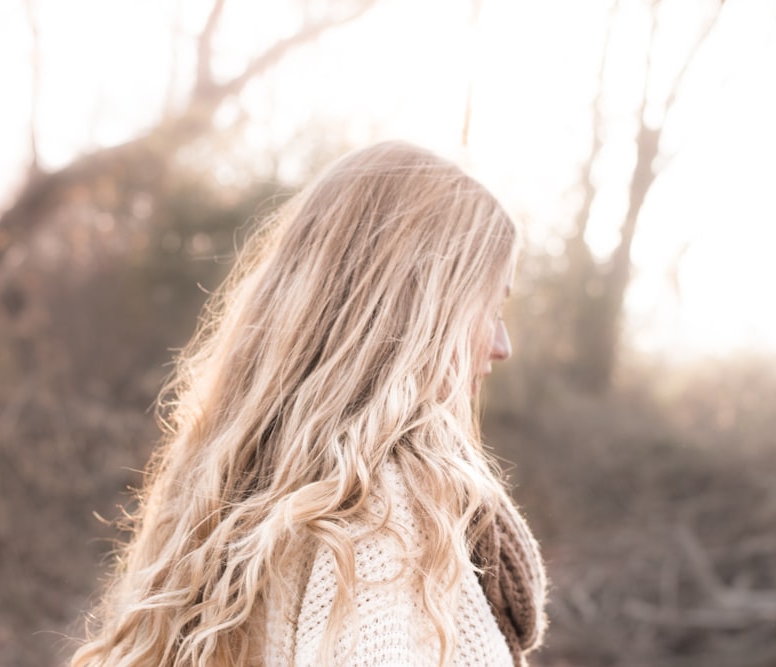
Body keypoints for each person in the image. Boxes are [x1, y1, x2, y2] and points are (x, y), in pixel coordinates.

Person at [71, 141, 547, 667]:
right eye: (490, 306)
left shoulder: (235, 484)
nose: (502, 346)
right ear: (422, 308)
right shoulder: (386, 513)